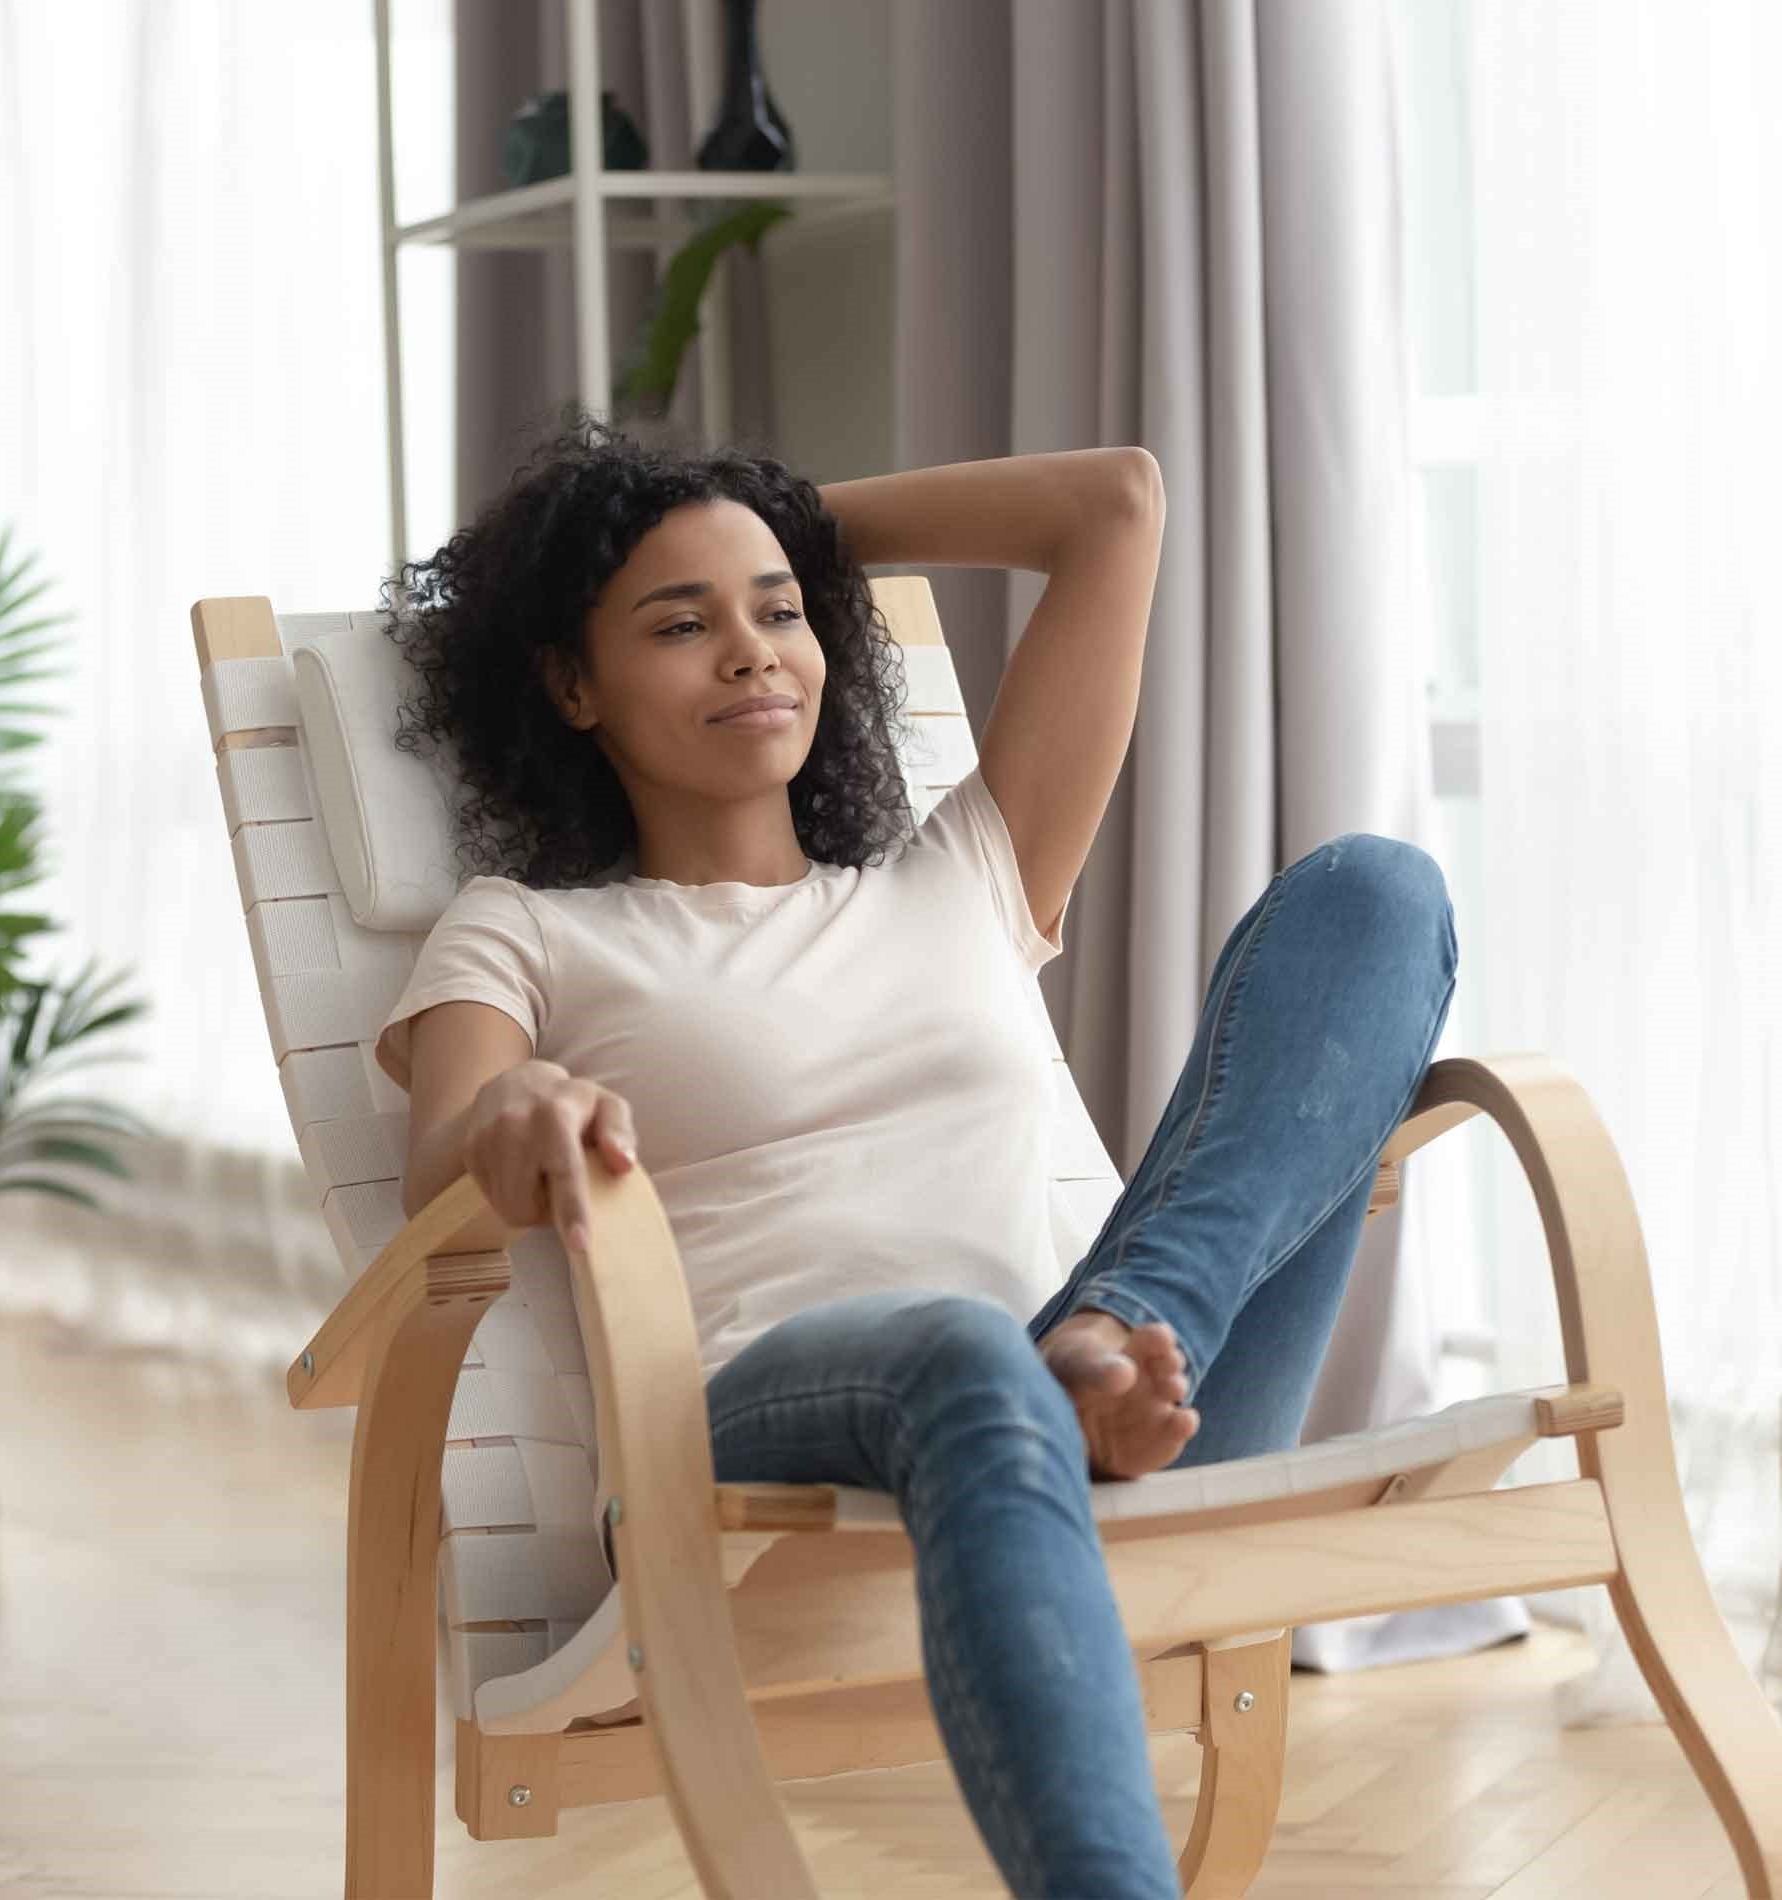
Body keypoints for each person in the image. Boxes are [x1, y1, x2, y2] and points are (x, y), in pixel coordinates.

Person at [372, 405, 1459, 1899]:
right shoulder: (531, 931)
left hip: (1108, 1412)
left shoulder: (961, 874)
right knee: (964, 1345)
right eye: (681, 625)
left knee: (1378, 893)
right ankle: (1072, 1373)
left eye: (782, 613)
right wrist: (506, 1119)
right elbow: (439, 1168)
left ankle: (1113, 1332)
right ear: (572, 682)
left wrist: (767, 517)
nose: (752, 654)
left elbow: (1115, 506)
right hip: (743, 1447)